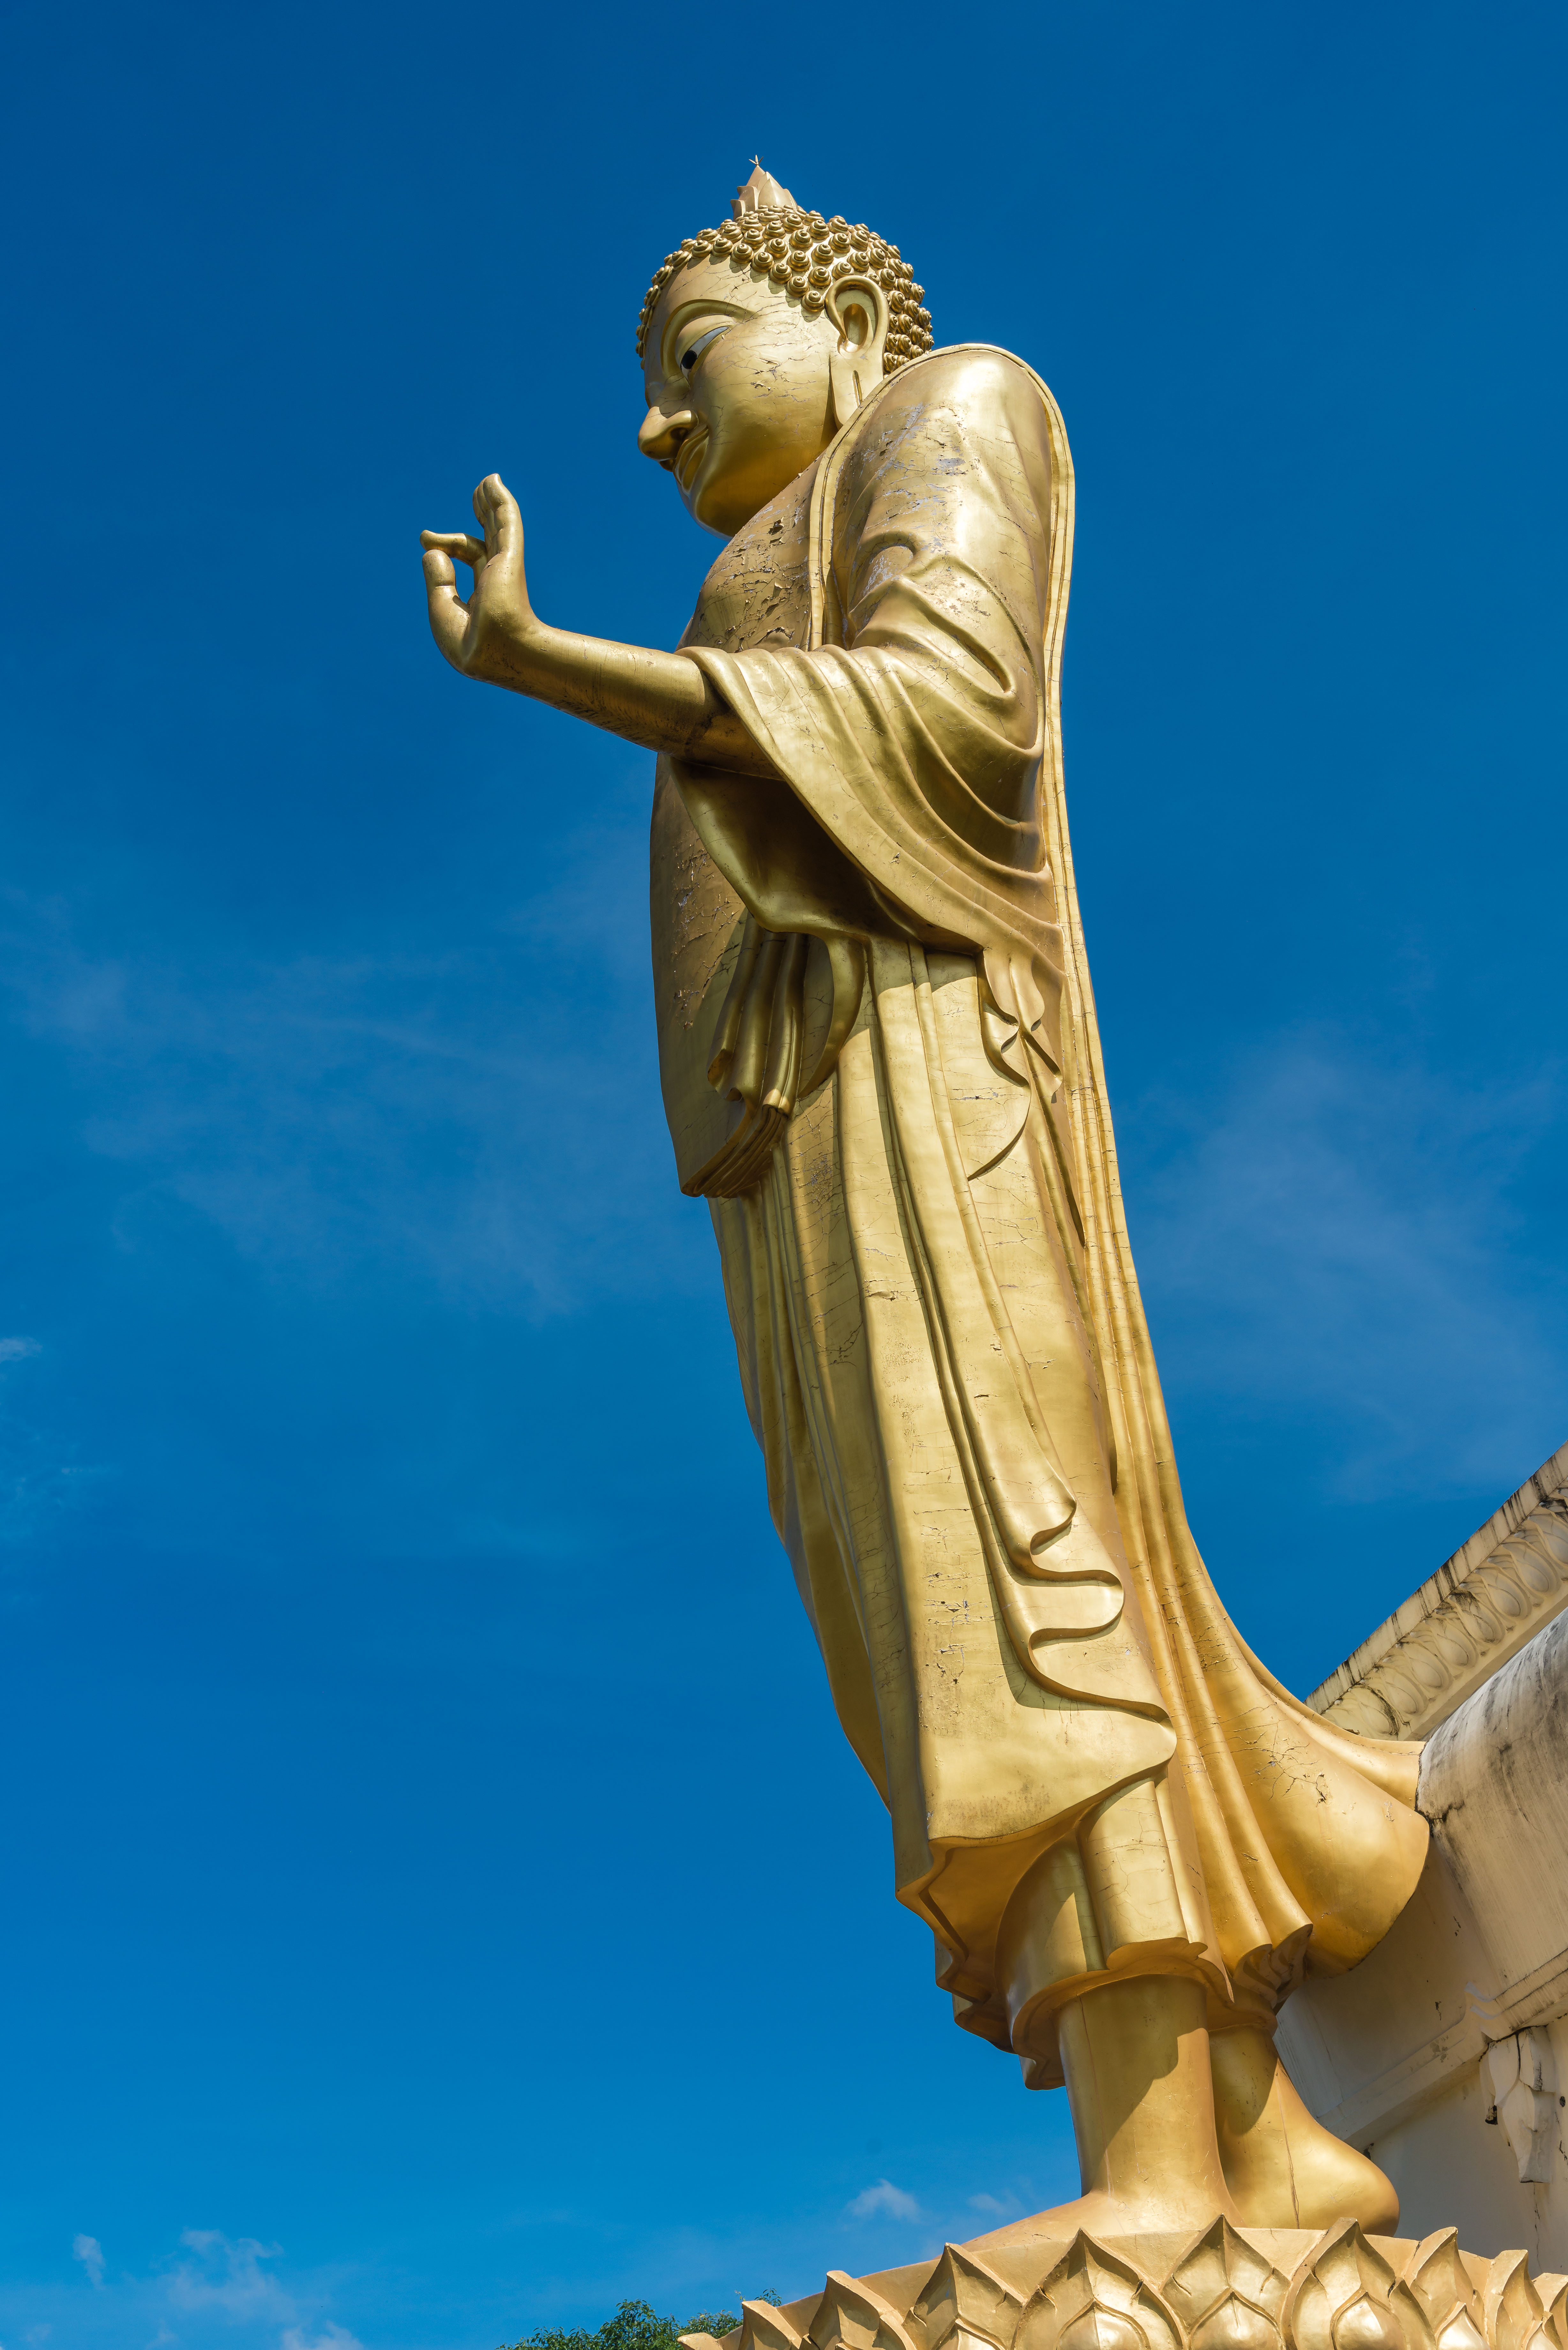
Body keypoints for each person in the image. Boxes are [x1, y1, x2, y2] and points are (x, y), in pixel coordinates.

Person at [419, 164, 1427, 2239]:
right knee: (905, 1600)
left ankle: (1157, 2156)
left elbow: (953, 715)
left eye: (688, 363)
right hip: (805, 1127)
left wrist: (556, 666)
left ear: (840, 325)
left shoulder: (959, 404)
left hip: (934, 1078)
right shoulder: (739, 578)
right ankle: (1270, 2139)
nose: (653, 426)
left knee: (1009, 1555)